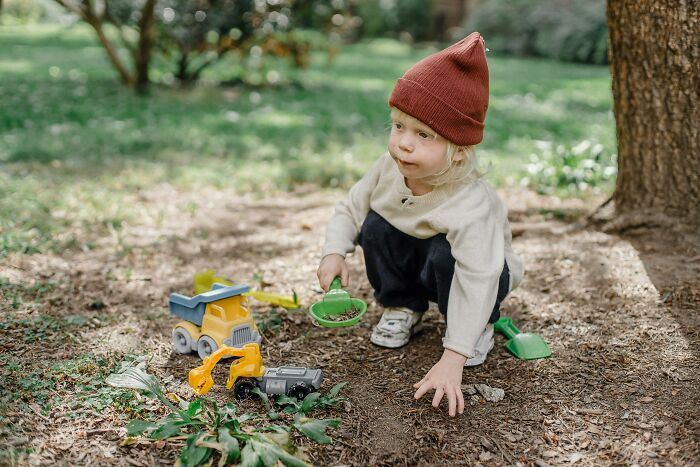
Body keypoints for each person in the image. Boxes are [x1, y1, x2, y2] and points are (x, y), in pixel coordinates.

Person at [316, 32, 523, 417]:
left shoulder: (470, 201)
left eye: (424, 135)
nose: (403, 144)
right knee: (376, 224)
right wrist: (334, 250)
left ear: (458, 151)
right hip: (418, 255)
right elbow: (351, 209)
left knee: (449, 256)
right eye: (398, 126)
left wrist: (453, 357)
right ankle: (402, 305)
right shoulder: (388, 169)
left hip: (483, 273)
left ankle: (474, 330)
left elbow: (480, 276)